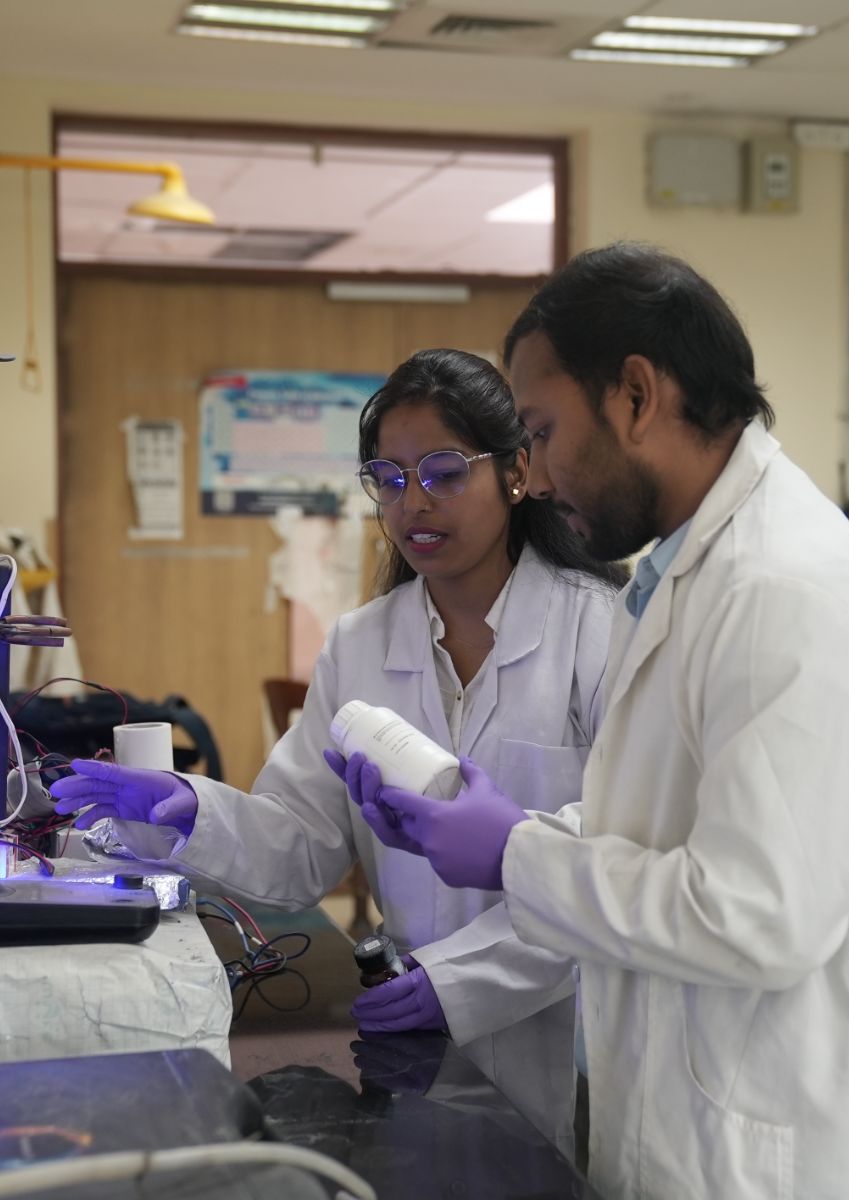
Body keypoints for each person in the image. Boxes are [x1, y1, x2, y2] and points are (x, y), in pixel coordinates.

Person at [349, 244, 849, 1200]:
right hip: (678, 1121)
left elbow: (757, 917)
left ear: (637, 397)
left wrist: (516, 854)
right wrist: (506, 832)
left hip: (763, 1156)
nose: (534, 475)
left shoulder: (783, 592)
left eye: (543, 430)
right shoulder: (687, 574)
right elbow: (658, 830)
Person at [51, 347, 625, 1151]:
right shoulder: (361, 645)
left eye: (443, 472)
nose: (413, 502)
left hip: (574, 1036)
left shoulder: (601, 630)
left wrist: (460, 983)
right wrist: (190, 810)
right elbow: (301, 841)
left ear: (517, 472)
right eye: (388, 479)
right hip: (411, 1037)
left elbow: (612, 858)